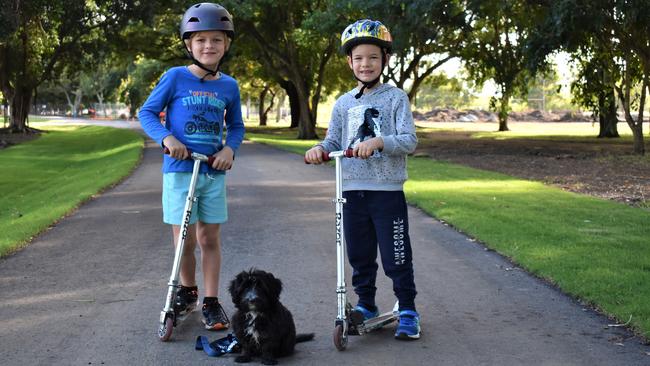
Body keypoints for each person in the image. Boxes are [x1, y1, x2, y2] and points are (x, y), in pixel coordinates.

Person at [304, 19, 420, 340]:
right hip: (351, 190)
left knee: (395, 253)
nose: (365, 64)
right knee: (359, 253)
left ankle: (408, 308)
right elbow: (333, 142)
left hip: (386, 191)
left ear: (385, 59)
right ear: (349, 62)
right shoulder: (343, 103)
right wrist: (319, 149)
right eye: (358, 58)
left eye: (373, 57)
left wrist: (380, 142)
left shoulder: (395, 98)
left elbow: (409, 140)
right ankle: (365, 304)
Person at [138, 2, 245, 331]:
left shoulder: (229, 86)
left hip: (212, 172)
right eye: (200, 40)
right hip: (180, 171)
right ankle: (187, 291)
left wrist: (230, 148)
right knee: (184, 238)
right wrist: (167, 139)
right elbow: (146, 113)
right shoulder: (175, 77)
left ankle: (212, 301)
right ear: (189, 44)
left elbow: (237, 126)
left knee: (209, 238)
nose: (208, 46)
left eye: (215, 40)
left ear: (226, 44)